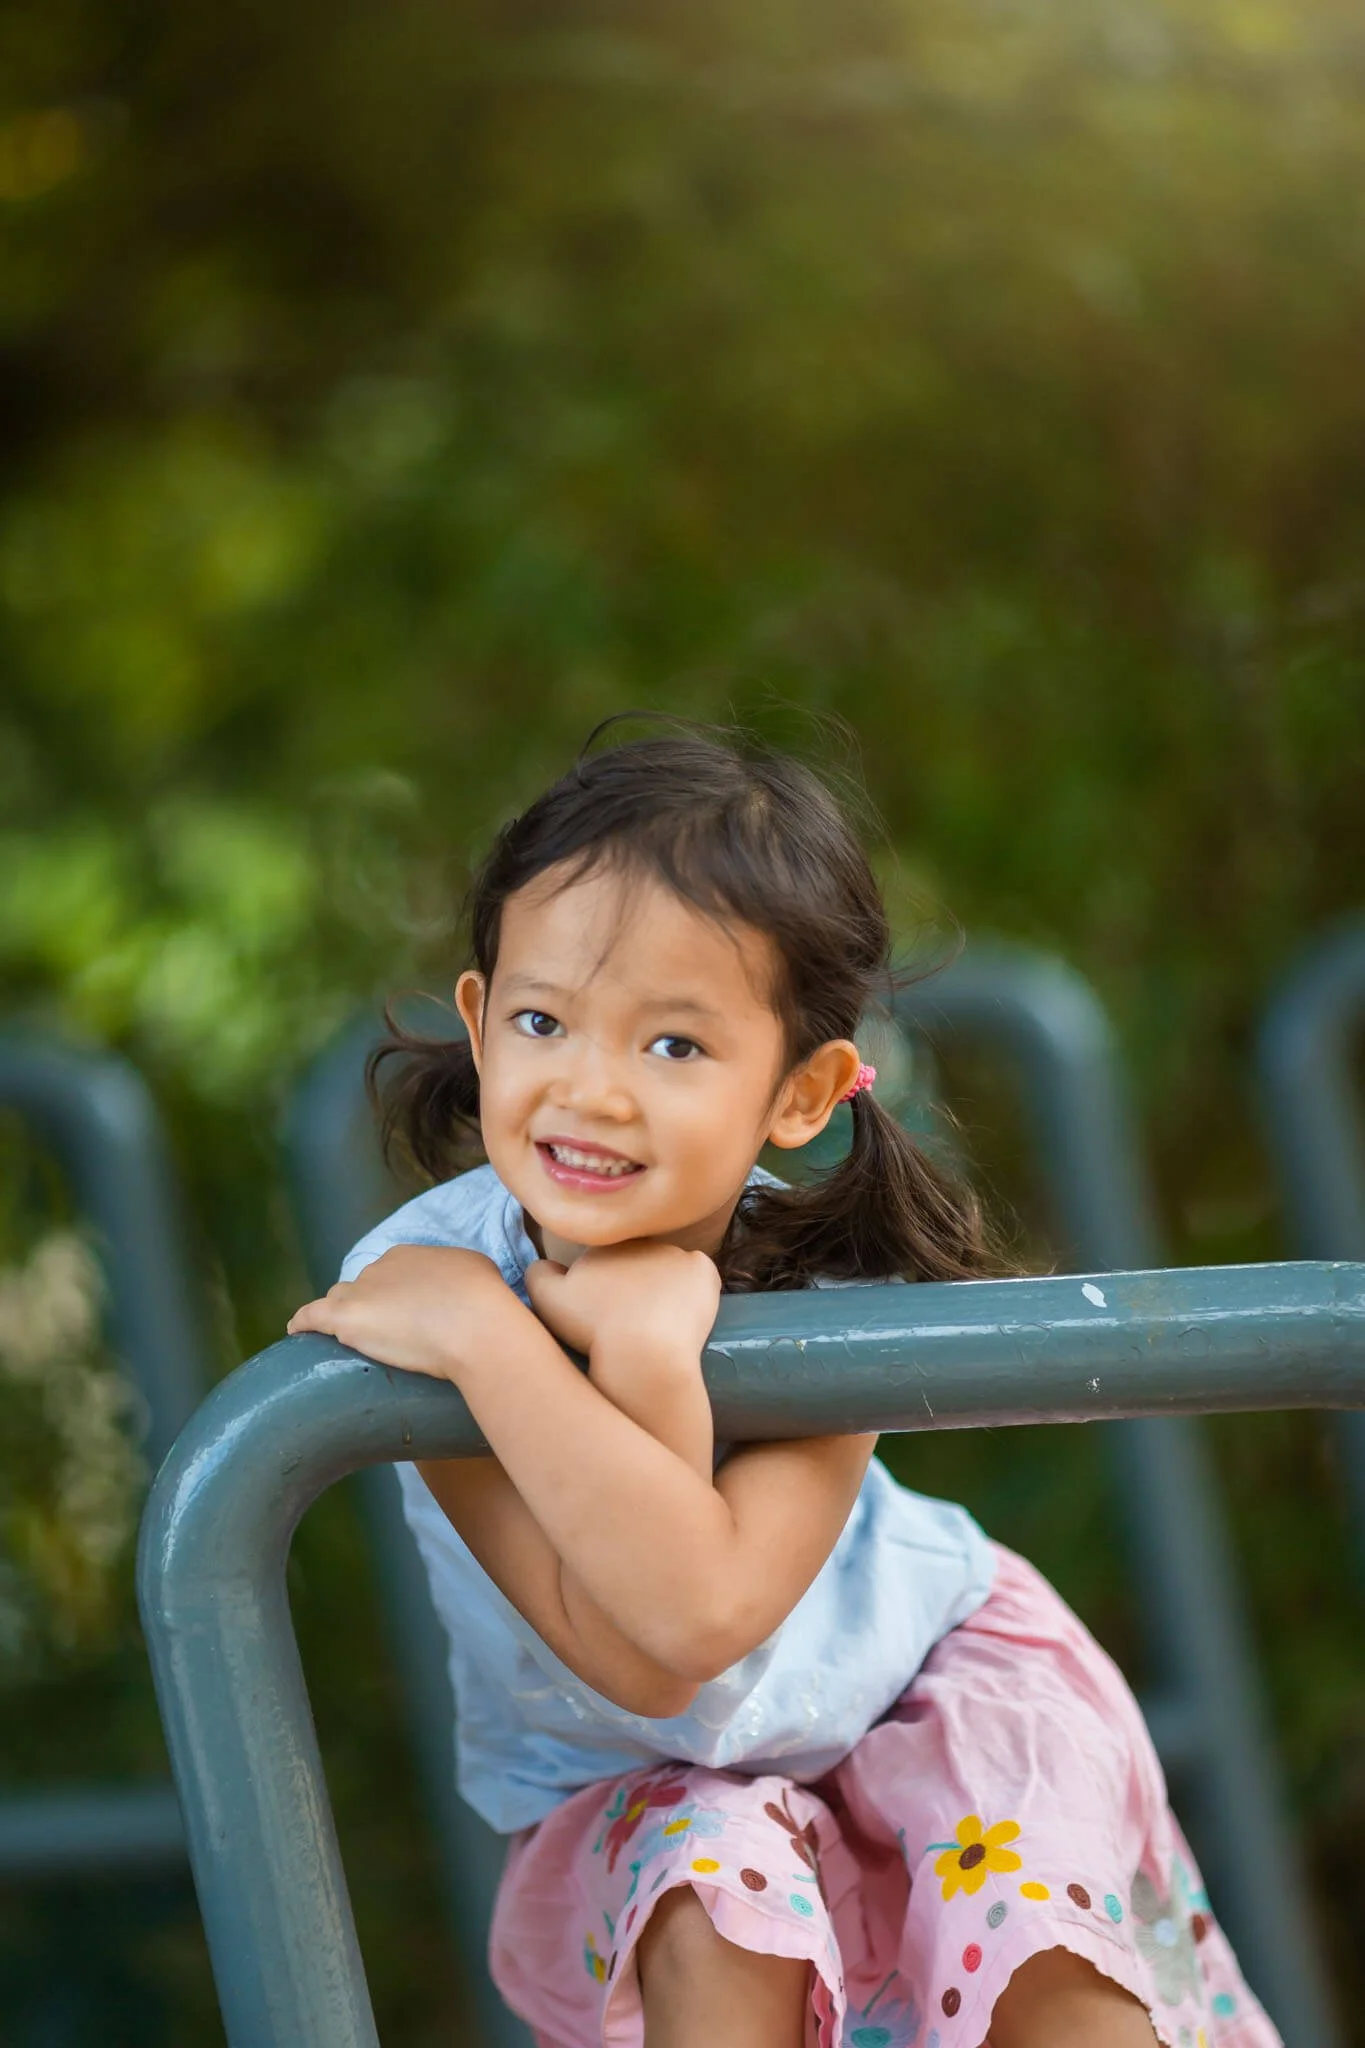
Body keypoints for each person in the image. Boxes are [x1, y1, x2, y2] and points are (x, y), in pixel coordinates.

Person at [288, 726, 1277, 2048]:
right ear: (479, 1023)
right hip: (641, 1776)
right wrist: (499, 1335)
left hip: (926, 1688)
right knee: (707, 1899)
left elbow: (704, 1611)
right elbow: (636, 1662)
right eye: (542, 1020)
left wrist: (552, 1353)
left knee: (1041, 1954)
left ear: (802, 1092)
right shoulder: (432, 1284)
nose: (591, 1088)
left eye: (676, 1048)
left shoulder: (826, 1294)